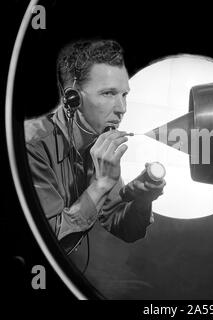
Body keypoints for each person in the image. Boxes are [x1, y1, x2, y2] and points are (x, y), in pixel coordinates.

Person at [24, 39, 165, 253]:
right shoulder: (32, 145)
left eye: (124, 94)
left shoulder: (98, 143)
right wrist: (101, 184)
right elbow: (46, 242)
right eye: (108, 93)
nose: (122, 108)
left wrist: (141, 200)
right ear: (73, 98)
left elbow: (124, 227)